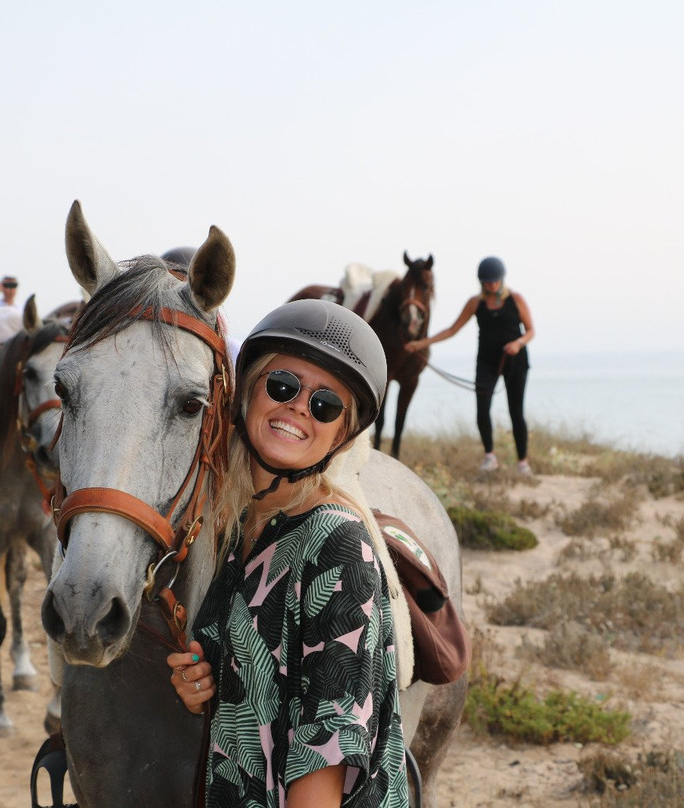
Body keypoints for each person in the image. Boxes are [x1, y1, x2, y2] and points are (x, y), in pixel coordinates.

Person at [167, 300, 410, 808]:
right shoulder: (240, 526)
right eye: (283, 385)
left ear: (341, 434)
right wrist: (205, 681)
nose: (300, 406)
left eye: (325, 405)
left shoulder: (337, 544)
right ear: (248, 392)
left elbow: (328, 749)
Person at [405, 255, 535, 473]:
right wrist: (421, 344)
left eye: (494, 280)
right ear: (481, 281)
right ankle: (489, 457)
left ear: (501, 279)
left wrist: (518, 343)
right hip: (486, 361)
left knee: (516, 412)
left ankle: (523, 462)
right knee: (482, 409)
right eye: (486, 281)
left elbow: (531, 331)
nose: (491, 285)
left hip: (515, 361)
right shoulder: (476, 303)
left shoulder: (516, 299)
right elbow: (452, 330)